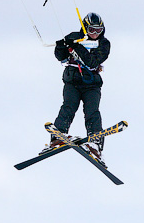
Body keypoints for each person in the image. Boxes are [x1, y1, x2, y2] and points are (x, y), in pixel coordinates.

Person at [47, 12, 111, 162]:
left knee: (92, 112)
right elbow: (60, 57)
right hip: (72, 82)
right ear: (85, 28)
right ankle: (57, 136)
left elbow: (92, 62)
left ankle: (95, 143)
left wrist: (76, 45)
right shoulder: (75, 35)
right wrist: (62, 45)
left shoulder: (104, 44)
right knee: (68, 107)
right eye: (91, 30)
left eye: (98, 30)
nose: (95, 34)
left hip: (92, 85)